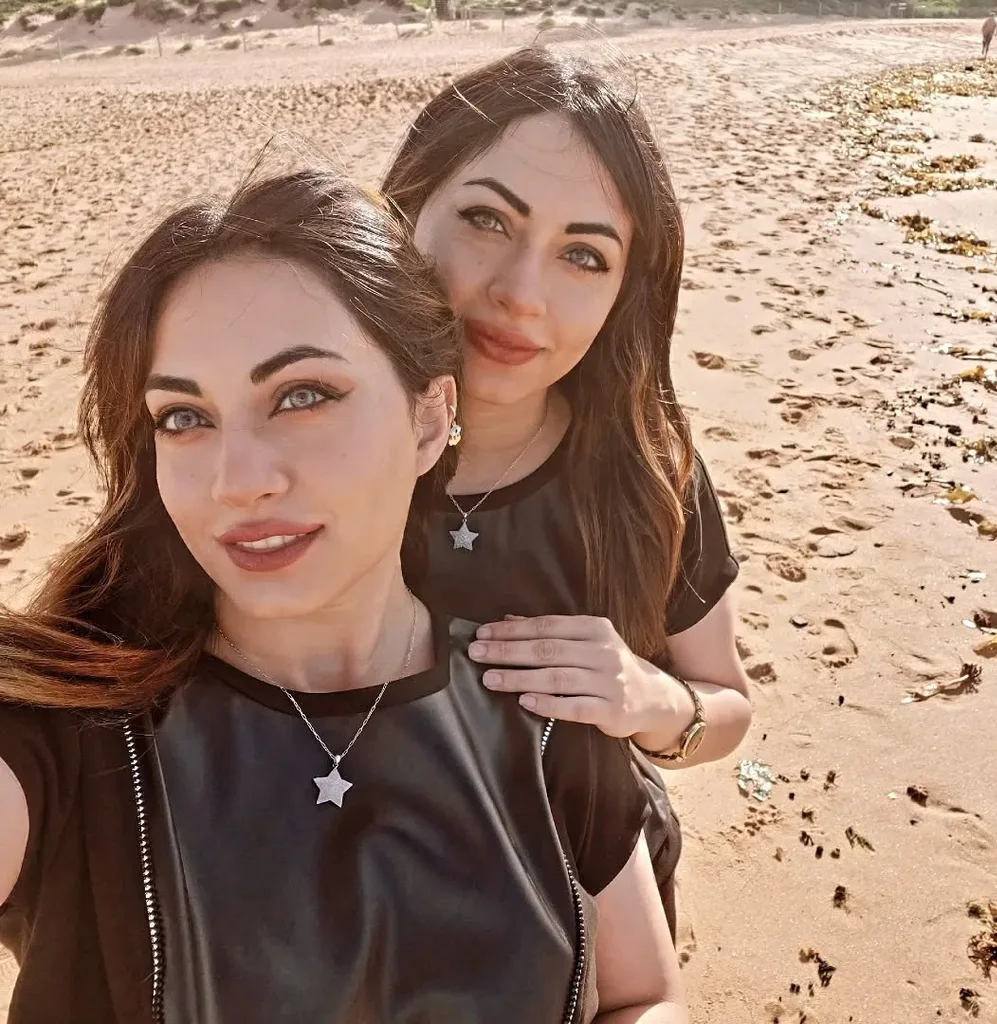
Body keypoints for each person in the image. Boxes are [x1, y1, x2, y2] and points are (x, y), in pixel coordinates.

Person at [0, 170, 687, 1024]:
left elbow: (644, 993)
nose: (236, 481)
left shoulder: (541, 701)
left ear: (429, 419)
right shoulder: (73, 737)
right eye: (184, 417)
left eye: (303, 396)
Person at [383, 46, 753, 936]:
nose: (522, 294)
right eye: (487, 219)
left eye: (583, 256)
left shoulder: (646, 471)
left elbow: (726, 704)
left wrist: (647, 698)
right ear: (407, 208)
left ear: (625, 290)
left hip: (592, 906)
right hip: (371, 903)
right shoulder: (310, 446)